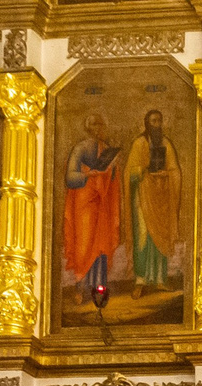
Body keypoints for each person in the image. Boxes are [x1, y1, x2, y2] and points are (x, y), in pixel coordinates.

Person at [63, 115, 123, 302]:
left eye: (101, 123)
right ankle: (79, 288)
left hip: (102, 203)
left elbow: (112, 178)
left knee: (101, 247)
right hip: (84, 203)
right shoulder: (80, 148)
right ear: (88, 127)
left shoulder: (105, 149)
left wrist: (112, 167)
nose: (99, 127)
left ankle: (99, 287)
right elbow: (70, 177)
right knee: (84, 245)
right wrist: (89, 174)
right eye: (95, 124)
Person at [126, 109, 182, 295]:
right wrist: (144, 169)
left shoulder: (166, 144)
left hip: (161, 198)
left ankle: (159, 279)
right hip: (143, 198)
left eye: (159, 120)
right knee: (142, 237)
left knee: (161, 237)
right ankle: (140, 280)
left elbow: (174, 171)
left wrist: (166, 174)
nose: (156, 124)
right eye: (153, 121)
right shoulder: (139, 144)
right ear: (147, 123)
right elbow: (130, 174)